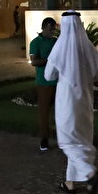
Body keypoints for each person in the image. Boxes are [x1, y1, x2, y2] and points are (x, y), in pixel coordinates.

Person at [44, 10, 98, 194]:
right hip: (85, 99)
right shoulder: (88, 46)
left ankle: (90, 173)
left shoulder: (59, 47)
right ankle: (69, 183)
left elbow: (48, 75)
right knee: (81, 139)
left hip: (67, 101)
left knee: (68, 141)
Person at [27, 16, 58, 151]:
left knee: (61, 111)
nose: (53, 31)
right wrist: (50, 60)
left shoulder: (56, 41)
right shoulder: (35, 42)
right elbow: (34, 61)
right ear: (45, 27)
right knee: (44, 112)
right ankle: (44, 138)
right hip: (43, 82)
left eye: (54, 29)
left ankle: (62, 136)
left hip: (58, 81)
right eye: (51, 29)